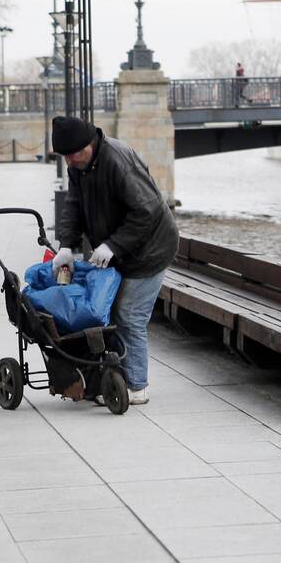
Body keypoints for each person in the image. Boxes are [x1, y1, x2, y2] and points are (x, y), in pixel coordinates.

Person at [50, 116, 178, 405]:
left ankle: (136, 385)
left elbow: (147, 211)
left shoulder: (118, 161)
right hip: (122, 251)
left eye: (75, 153)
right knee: (106, 313)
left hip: (151, 249)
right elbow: (74, 205)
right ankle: (111, 380)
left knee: (129, 314)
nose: (70, 161)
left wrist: (112, 245)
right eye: (66, 156)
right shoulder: (79, 166)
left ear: (90, 143)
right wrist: (67, 245)